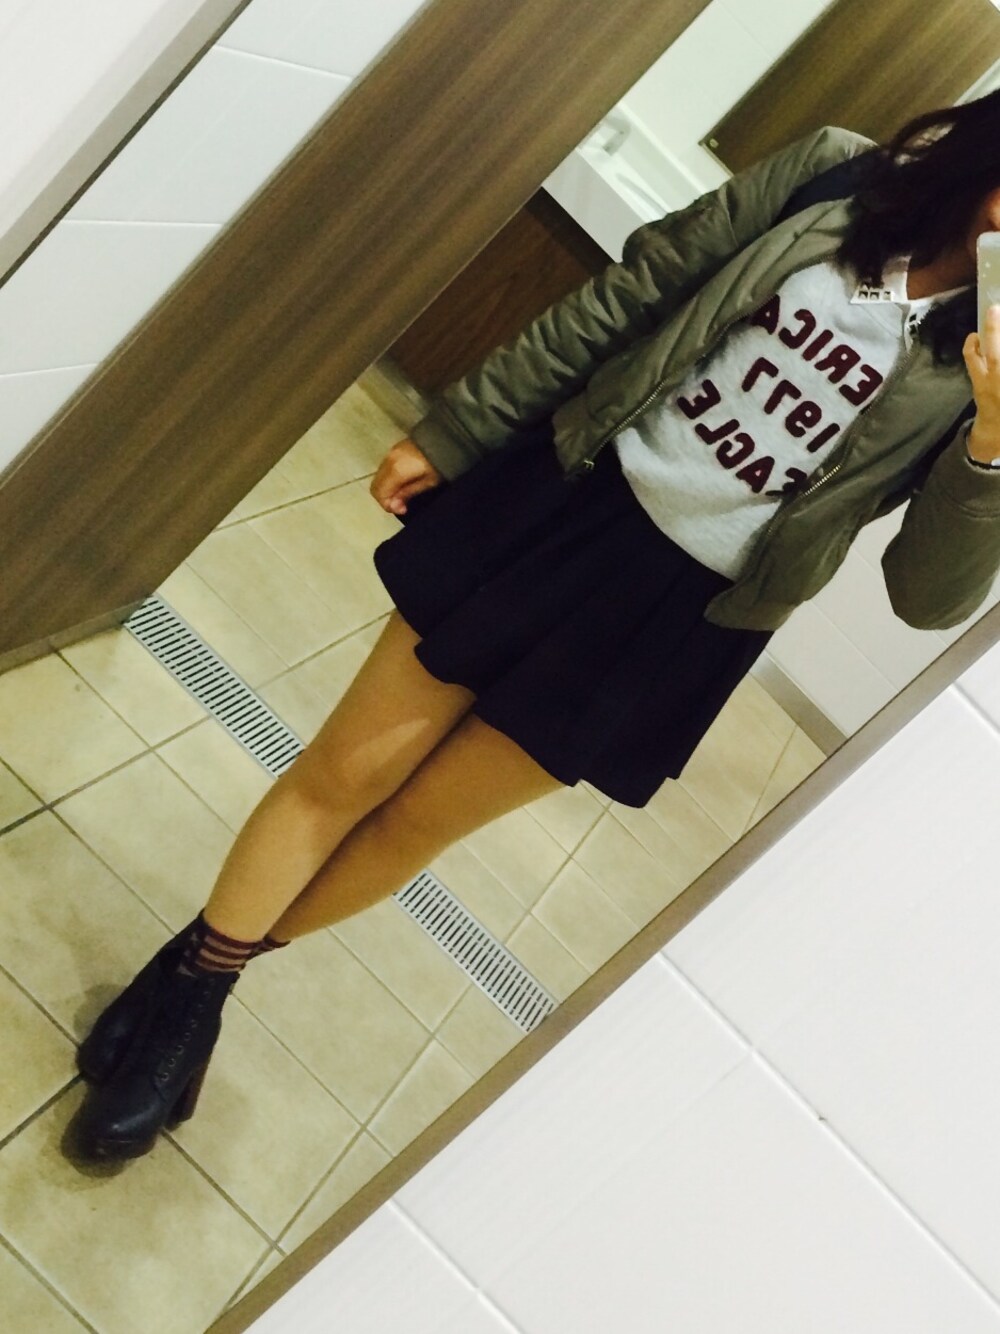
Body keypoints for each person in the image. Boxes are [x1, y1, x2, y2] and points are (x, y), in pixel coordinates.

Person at [70, 91, 1000, 1162]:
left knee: (413, 826)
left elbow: (926, 596)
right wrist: (463, 426)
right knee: (346, 774)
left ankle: (195, 974)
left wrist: (988, 441)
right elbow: (637, 288)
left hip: (681, 619)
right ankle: (191, 1004)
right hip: (570, 504)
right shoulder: (838, 177)